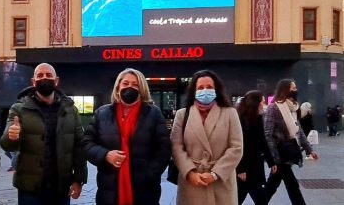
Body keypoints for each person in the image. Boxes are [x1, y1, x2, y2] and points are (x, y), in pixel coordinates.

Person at [0, 63, 87, 205]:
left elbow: (79, 147)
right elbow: (6, 145)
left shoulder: (70, 110)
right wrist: (12, 137)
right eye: (39, 75)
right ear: (33, 82)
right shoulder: (19, 109)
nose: (44, 78)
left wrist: (79, 179)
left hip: (61, 186)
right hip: (30, 188)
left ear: (56, 81)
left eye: (48, 75)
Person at [83, 68, 171, 205]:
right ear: (118, 87)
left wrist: (150, 174)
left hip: (145, 191)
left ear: (141, 89)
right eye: (125, 83)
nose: (129, 87)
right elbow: (87, 144)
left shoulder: (153, 114)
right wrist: (105, 155)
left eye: (135, 84)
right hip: (109, 191)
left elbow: (164, 149)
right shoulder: (102, 113)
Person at [170, 69, 243, 205]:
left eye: (209, 87)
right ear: (194, 91)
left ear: (217, 89)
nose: (205, 91)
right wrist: (189, 172)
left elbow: (236, 147)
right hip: (191, 183)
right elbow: (176, 147)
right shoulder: (182, 115)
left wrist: (215, 173)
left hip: (221, 182)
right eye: (201, 87)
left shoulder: (230, 113)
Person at [264, 79, 318, 205]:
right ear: (285, 90)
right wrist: (274, 158)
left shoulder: (293, 107)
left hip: (289, 150)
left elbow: (298, 131)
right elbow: (268, 134)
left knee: (273, 185)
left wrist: (309, 150)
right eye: (293, 88)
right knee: (291, 185)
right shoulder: (274, 108)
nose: (295, 90)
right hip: (280, 152)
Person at [236, 90, 274, 205]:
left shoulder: (258, 119)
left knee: (258, 199)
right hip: (245, 169)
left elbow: (263, 142)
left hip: (255, 167)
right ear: (254, 103)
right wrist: (241, 168)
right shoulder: (241, 121)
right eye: (262, 102)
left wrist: (271, 162)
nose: (263, 105)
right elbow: (238, 145)